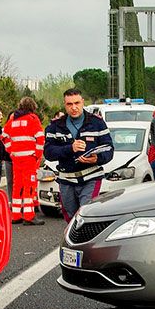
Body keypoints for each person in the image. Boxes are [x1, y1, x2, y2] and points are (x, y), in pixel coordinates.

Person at [44, 88, 113, 221]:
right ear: (65, 105)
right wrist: (70, 148)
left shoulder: (97, 123)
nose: (74, 107)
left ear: (82, 102)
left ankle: (89, 241)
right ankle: (73, 241)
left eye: (77, 103)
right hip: (66, 179)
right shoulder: (55, 126)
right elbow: (48, 153)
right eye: (70, 104)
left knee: (86, 214)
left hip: (91, 177)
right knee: (71, 218)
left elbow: (109, 149)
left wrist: (97, 158)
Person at [2, 97, 45, 225]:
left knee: (17, 186)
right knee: (29, 187)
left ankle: (15, 215)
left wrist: (11, 151)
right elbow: (40, 138)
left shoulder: (13, 120)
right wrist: (37, 154)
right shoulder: (32, 119)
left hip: (17, 159)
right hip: (29, 159)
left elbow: (3, 136)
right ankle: (29, 216)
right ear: (32, 107)